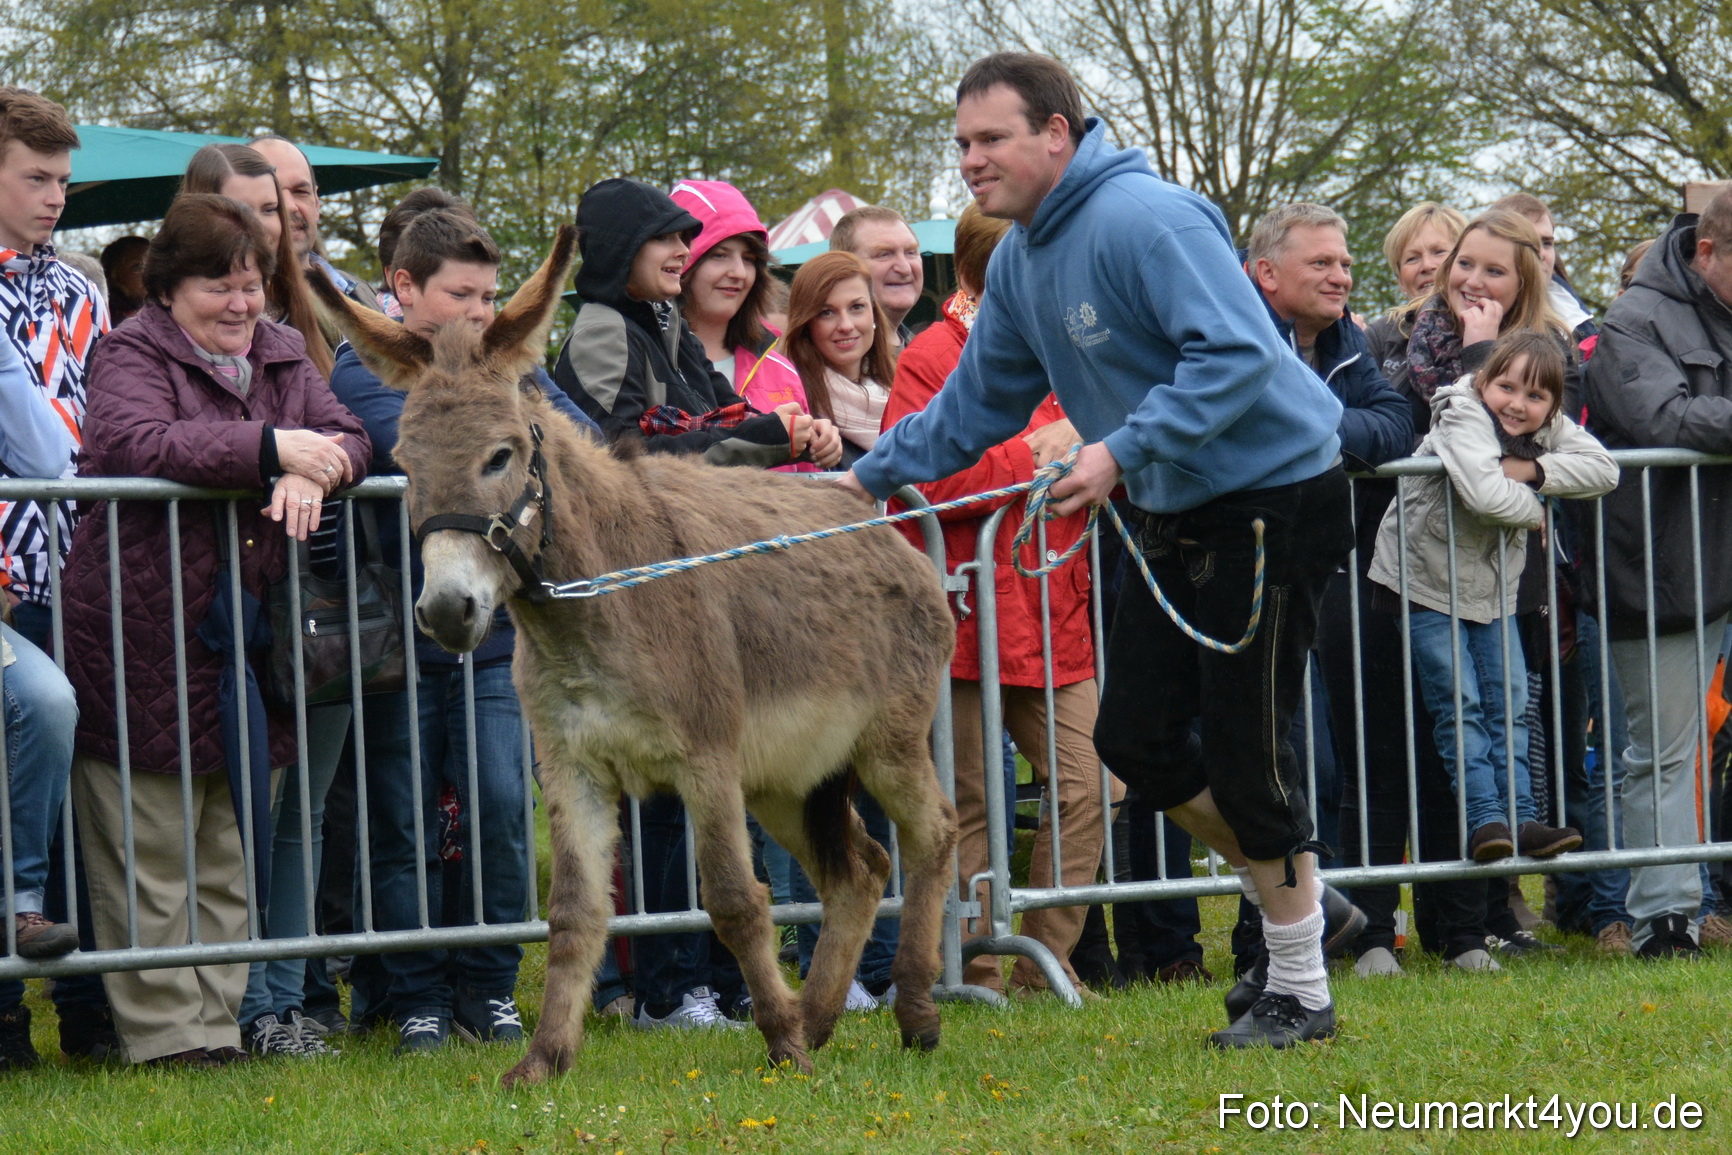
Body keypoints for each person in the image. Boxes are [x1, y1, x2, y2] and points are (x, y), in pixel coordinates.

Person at [841, 52, 1358, 1049]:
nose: (971, 161)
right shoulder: (1021, 260)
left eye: (991, 139)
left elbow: (1239, 355)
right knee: (1136, 741)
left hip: (1273, 500)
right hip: (1175, 509)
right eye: (962, 143)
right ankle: (1303, 898)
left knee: (1248, 751)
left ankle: (1300, 987)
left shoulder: (1147, 219)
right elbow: (972, 408)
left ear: (1056, 134)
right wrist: (859, 483)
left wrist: (1118, 450)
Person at [60, 193, 368, 1067]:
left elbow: (347, 434)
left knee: (229, 839)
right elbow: (136, 441)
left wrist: (316, 469)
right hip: (139, 627)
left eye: (251, 283)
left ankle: (219, 1023)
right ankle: (167, 1034)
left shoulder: (281, 350)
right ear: (167, 287)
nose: (240, 304)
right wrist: (274, 450)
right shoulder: (129, 351)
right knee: (150, 839)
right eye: (217, 285)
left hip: (247, 635)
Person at [330, 204, 595, 1053]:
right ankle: (414, 989)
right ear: (404, 288)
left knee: (500, 803)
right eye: (461, 296)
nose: (481, 314)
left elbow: (582, 442)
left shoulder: (511, 373)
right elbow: (409, 436)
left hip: (496, 635)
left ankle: (489, 981)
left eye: (490, 296)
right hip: (398, 636)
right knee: (403, 815)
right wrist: (508, 421)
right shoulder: (365, 368)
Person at [886, 202, 1119, 998]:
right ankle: (974, 968)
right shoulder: (932, 354)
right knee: (969, 804)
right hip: (961, 616)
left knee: (1096, 784)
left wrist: (1089, 445)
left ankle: (1038, 963)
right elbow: (923, 478)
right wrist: (1032, 453)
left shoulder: (1071, 348)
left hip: (1054, 614)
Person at [1242, 200, 1413, 975]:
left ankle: (1349, 928)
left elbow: (1395, 424)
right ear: (1266, 272)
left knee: (1351, 755)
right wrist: (1333, 432)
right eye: (1322, 263)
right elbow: (1256, 424)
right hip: (1255, 577)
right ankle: (1270, 940)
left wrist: (1314, 430)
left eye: (1344, 262)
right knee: (1283, 760)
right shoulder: (1238, 332)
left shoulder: (1347, 342)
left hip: (1336, 572)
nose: (1342, 276)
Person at [1368, 330, 1611, 866]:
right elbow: (1483, 493)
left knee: (1510, 702)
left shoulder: (1544, 427)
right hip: (1425, 579)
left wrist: (1532, 470)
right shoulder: (1462, 412)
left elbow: (1604, 470)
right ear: (1484, 380)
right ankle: (1484, 819)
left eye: (1535, 396)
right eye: (1507, 387)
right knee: (1460, 703)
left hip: (1491, 582)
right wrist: (1536, 511)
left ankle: (1521, 819)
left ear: (1552, 405)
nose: (1517, 404)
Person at [0, 84, 121, 1066]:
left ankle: (87, 1008)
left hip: (75, 569)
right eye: (36, 178)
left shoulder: (81, 290)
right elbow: (39, 450)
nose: (55, 197)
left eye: (64, 182)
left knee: (77, 786)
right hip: (7, 575)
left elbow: (102, 425)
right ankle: (7, 1019)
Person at [1582, 187, 1732, 959]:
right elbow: (1663, 419)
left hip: (1719, 553)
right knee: (1664, 750)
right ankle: (1664, 919)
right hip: (1668, 562)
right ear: (1708, 250)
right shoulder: (1633, 320)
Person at [553, 177, 837, 469]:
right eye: (663, 238)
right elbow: (620, 460)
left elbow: (733, 415)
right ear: (621, 249)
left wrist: (804, 435)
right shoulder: (602, 333)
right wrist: (768, 438)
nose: (684, 251)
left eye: (682, 238)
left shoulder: (669, 328)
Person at [668, 180, 814, 453]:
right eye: (719, 255)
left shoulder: (781, 371)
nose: (739, 273)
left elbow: (802, 471)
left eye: (748, 259)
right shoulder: (649, 363)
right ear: (680, 264)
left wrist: (818, 447)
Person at [180, 143, 334, 377]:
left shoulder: (313, 307)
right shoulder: (159, 329)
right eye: (241, 210)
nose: (258, 226)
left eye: (269, 209)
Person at [782, 252, 898, 465]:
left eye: (857, 307)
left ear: (873, 312)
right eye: (827, 312)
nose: (846, 325)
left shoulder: (903, 391)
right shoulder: (794, 408)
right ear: (806, 324)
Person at [1492, 192, 1597, 344]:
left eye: (1547, 243)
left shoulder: (1579, 323)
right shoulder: (1470, 320)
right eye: (1528, 242)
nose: (1541, 253)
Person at [830, 206, 924, 350]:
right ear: (843, 267)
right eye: (884, 254)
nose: (905, 268)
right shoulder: (824, 359)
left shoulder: (928, 352)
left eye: (911, 252)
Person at [100, 236, 149, 323]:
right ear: (115, 277)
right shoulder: (106, 320)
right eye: (138, 267)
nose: (150, 273)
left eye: (153, 265)